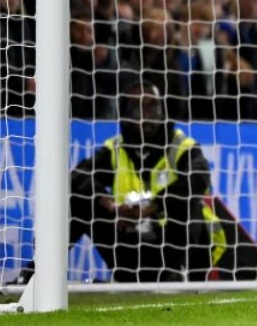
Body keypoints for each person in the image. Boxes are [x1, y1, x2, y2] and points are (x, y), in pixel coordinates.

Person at [68, 82, 226, 281]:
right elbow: (77, 177)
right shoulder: (114, 149)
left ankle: (178, 275)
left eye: (152, 108)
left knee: (187, 201)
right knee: (78, 199)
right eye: (137, 109)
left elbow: (199, 179)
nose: (146, 116)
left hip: (179, 247)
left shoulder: (183, 146)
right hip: (131, 241)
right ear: (125, 114)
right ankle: (36, 274)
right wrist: (111, 205)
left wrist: (152, 207)